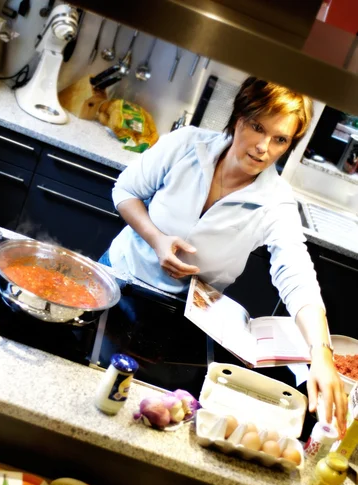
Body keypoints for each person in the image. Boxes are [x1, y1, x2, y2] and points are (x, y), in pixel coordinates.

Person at [100, 76, 347, 434]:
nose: (263, 147)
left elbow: (297, 276)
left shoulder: (275, 202)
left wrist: (321, 353)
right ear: (237, 118)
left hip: (182, 321)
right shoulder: (186, 144)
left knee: (151, 417)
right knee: (89, 376)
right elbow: (125, 190)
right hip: (120, 280)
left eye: (280, 139)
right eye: (257, 127)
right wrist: (156, 239)